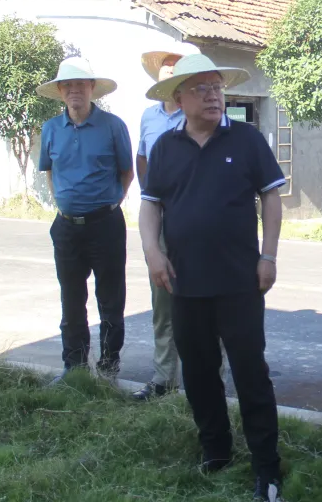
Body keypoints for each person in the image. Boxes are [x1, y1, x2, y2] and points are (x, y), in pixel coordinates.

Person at [139, 54, 287, 501]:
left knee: (249, 372)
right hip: (184, 280)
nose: (213, 95)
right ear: (179, 97)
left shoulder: (246, 139)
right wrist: (152, 252)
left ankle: (267, 467)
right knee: (200, 372)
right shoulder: (165, 147)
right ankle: (215, 451)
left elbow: (271, 199)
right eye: (201, 87)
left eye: (217, 87)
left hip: (241, 279)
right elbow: (151, 204)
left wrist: (269, 256)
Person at [37, 57, 133, 383]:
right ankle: (74, 367)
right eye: (68, 85)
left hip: (105, 224)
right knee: (71, 298)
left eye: (81, 84)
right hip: (66, 227)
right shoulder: (50, 129)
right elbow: (49, 171)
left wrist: (107, 205)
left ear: (92, 88)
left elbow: (127, 171)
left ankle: (108, 366)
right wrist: (65, 204)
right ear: (61, 91)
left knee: (110, 297)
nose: (75, 90)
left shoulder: (112, 126)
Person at [132, 50, 186, 401]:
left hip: (194, 217)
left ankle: (215, 381)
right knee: (163, 300)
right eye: (165, 71)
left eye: (175, 72)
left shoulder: (196, 112)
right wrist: (151, 199)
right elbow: (141, 159)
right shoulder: (149, 117)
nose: (169, 76)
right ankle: (165, 378)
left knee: (205, 301)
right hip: (160, 217)